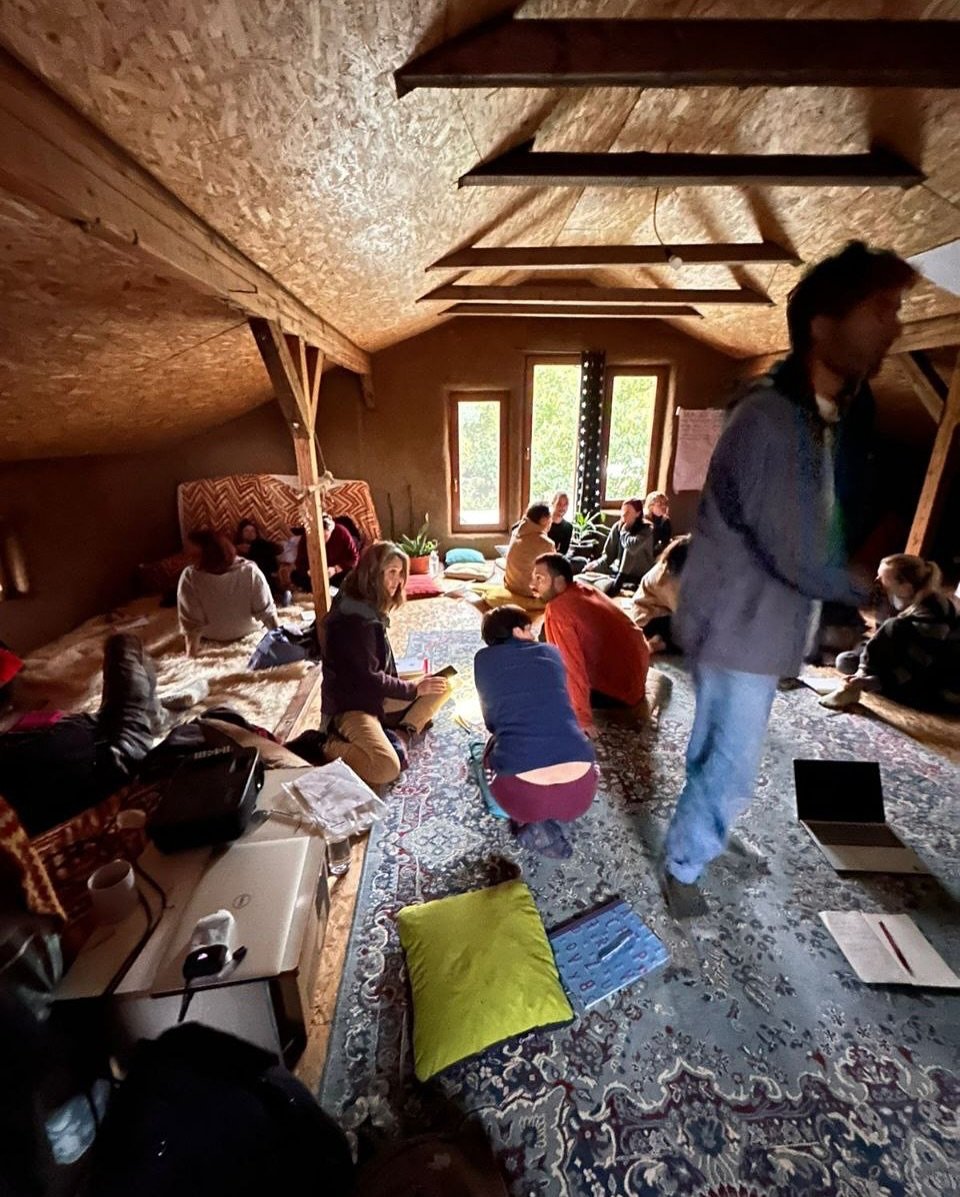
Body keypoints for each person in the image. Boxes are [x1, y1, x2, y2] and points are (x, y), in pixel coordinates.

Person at [663, 240, 917, 905]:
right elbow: (795, 553)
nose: (894, 326)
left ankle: (706, 832)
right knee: (733, 761)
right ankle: (685, 865)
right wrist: (867, 588)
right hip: (738, 625)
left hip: (743, 618)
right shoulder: (774, 422)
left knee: (717, 743)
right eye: (880, 309)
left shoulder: (815, 416)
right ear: (823, 326)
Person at [0, 634, 161, 835]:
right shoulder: (44, 745)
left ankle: (153, 714)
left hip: (90, 751)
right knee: (122, 644)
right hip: (116, 760)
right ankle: (152, 716)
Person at [320, 542, 450, 786]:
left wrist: (415, 686)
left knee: (442, 684)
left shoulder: (364, 602)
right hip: (352, 705)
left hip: (377, 695)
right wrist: (413, 689)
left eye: (401, 573)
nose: (397, 581)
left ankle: (400, 732)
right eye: (391, 572)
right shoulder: (354, 620)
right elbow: (369, 679)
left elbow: (375, 671)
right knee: (385, 768)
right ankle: (327, 745)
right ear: (373, 573)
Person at [474, 605, 598, 854]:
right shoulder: (551, 652)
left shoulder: (483, 660)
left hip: (522, 802)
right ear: (517, 631)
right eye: (529, 630)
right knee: (569, 734)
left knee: (490, 748)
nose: (533, 635)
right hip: (581, 795)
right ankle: (552, 811)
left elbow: (492, 723)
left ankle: (529, 820)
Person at [530, 553, 650, 737]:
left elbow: (570, 666)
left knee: (538, 676)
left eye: (540, 579)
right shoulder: (583, 588)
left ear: (559, 582)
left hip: (618, 694)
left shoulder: (558, 609)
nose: (532, 585)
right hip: (635, 681)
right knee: (545, 637)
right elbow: (634, 632)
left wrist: (582, 718)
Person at [822, 554, 960, 711]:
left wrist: (870, 681)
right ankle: (867, 678)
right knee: (845, 661)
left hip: (935, 677)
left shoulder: (935, 610)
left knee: (893, 626)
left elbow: (917, 665)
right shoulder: (898, 600)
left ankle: (868, 682)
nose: (877, 582)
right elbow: (881, 643)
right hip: (906, 658)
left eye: (883, 579)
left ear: (905, 587)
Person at [177, 531, 278, 657]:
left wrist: (191, 654)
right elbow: (267, 612)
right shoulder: (250, 571)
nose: (190, 559)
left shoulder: (189, 576)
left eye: (195, 556)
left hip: (211, 633)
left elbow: (191, 621)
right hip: (248, 628)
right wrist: (281, 640)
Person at [632, 535, 692, 652]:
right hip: (648, 619)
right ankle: (657, 644)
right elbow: (681, 611)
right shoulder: (669, 580)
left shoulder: (668, 567)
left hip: (658, 613)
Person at [584, 499, 654, 597]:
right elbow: (608, 556)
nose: (623, 515)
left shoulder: (646, 529)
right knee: (587, 569)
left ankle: (618, 586)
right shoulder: (617, 527)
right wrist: (596, 564)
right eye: (622, 511)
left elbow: (632, 546)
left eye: (627, 512)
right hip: (617, 571)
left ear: (637, 514)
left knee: (629, 548)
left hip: (638, 574)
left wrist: (624, 531)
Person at [504, 503, 555, 598]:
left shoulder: (517, 530)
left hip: (510, 584)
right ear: (544, 520)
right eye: (551, 518)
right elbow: (554, 572)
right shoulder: (546, 543)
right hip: (527, 591)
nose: (551, 521)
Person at [234, 519, 280, 584]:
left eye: (253, 531)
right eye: (246, 531)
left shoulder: (262, 544)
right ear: (241, 533)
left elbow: (278, 549)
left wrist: (251, 548)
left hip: (263, 574)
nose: (250, 533)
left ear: (256, 534)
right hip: (244, 575)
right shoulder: (235, 548)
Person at [644, 492, 673, 556]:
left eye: (665, 504)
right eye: (660, 504)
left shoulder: (665, 521)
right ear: (651, 506)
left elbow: (665, 542)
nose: (664, 506)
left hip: (656, 554)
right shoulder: (643, 519)